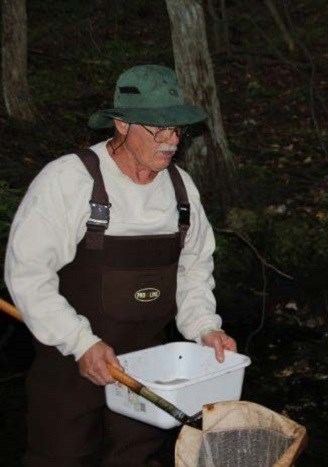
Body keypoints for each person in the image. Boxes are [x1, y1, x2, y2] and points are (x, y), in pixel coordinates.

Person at [4, 64, 237, 466]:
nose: (170, 141)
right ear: (122, 124)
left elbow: (193, 269)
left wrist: (205, 328)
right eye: (158, 129)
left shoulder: (182, 191)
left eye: (176, 130)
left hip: (149, 375)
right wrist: (81, 342)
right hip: (71, 366)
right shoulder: (68, 181)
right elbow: (27, 275)